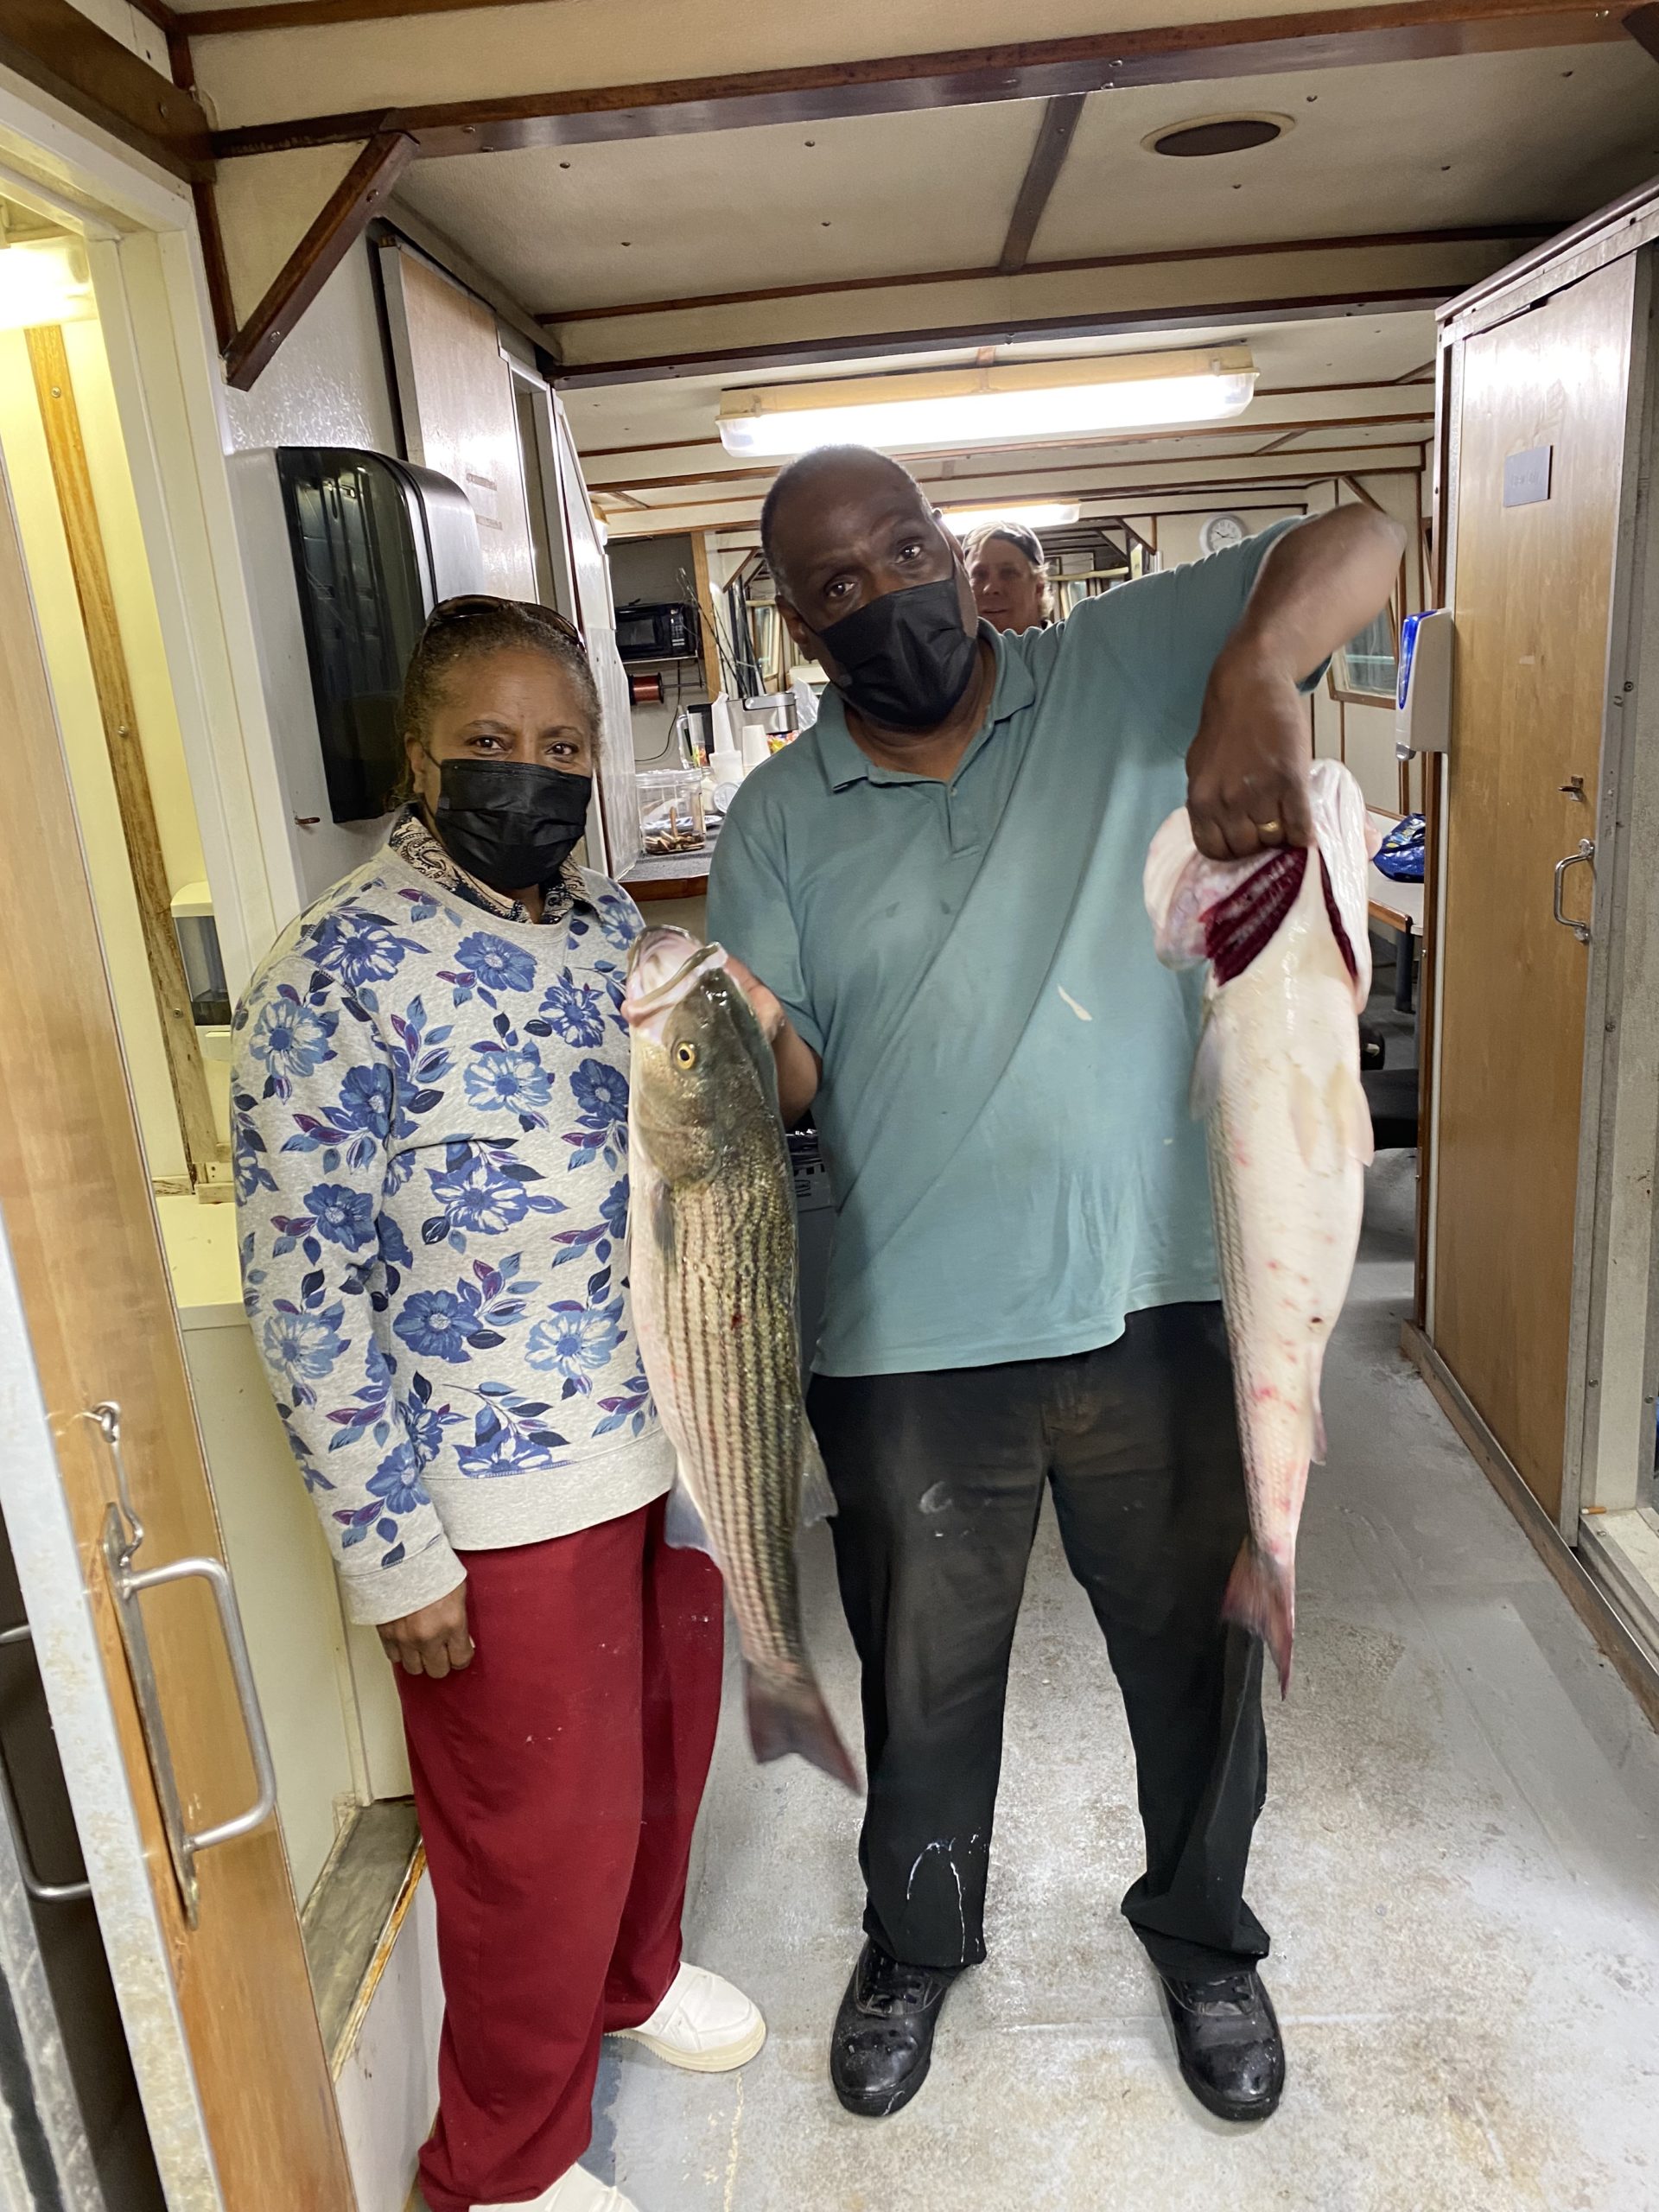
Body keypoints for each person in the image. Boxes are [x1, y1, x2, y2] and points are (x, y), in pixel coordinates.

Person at [707, 448, 1403, 2129]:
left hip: (1151, 1304)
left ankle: (1202, 1928)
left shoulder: (1114, 670)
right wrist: (716, 1039)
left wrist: (1250, 670)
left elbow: (1377, 531)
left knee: (1189, 1660)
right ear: (801, 626)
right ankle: (918, 1936)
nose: (889, 593)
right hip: (903, 1338)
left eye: (906, 549)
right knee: (925, 1678)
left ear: (952, 546)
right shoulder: (781, 817)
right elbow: (784, 1077)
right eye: (842, 583)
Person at [233, 596, 764, 2212]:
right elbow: (303, 1287)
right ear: (419, 755)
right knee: (531, 1845)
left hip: (664, 1445)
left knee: (661, 1766)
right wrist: (395, 1557)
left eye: (560, 749)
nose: (528, 776)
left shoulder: (615, 938)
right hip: (487, 1498)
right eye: (490, 746)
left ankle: (636, 1978)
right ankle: (502, 2167)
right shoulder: (340, 969)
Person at [965, 519, 1054, 632]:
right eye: (979, 575)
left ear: (1038, 588)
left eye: (1008, 574)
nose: (991, 589)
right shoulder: (951, 648)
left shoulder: (1072, 648)